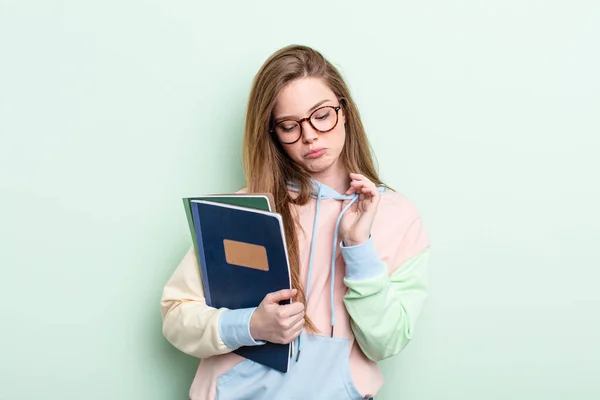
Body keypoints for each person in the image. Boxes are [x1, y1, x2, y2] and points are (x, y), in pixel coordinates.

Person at [160, 44, 430, 400]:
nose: (310, 136)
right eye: (289, 126)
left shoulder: (397, 215)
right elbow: (176, 317)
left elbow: (386, 342)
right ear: (273, 134)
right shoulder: (245, 211)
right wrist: (250, 325)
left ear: (344, 112)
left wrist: (358, 247)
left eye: (322, 115)